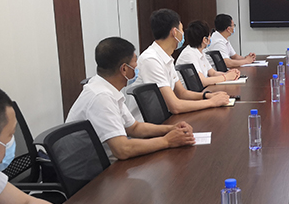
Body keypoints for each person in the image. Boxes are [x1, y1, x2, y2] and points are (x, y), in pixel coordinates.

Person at [67, 37, 197, 161]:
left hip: (104, 161)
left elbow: (134, 128)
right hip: (93, 170)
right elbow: (123, 149)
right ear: (124, 69)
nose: (137, 66)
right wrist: (167, 141)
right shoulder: (101, 96)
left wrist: (172, 129)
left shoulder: (106, 88)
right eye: (135, 61)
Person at [131, 9, 230, 118]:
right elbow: (175, 106)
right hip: (149, 124)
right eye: (182, 30)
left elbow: (182, 93)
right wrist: (212, 102)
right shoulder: (151, 59)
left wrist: (207, 96)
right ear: (175, 32)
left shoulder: (167, 57)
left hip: (166, 119)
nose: (183, 34)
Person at [177, 21, 240, 87]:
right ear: (205, 40)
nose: (210, 38)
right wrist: (226, 77)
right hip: (194, 93)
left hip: (203, 90)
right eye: (209, 36)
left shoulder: (200, 52)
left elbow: (213, 73)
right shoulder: (189, 54)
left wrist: (229, 73)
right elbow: (202, 81)